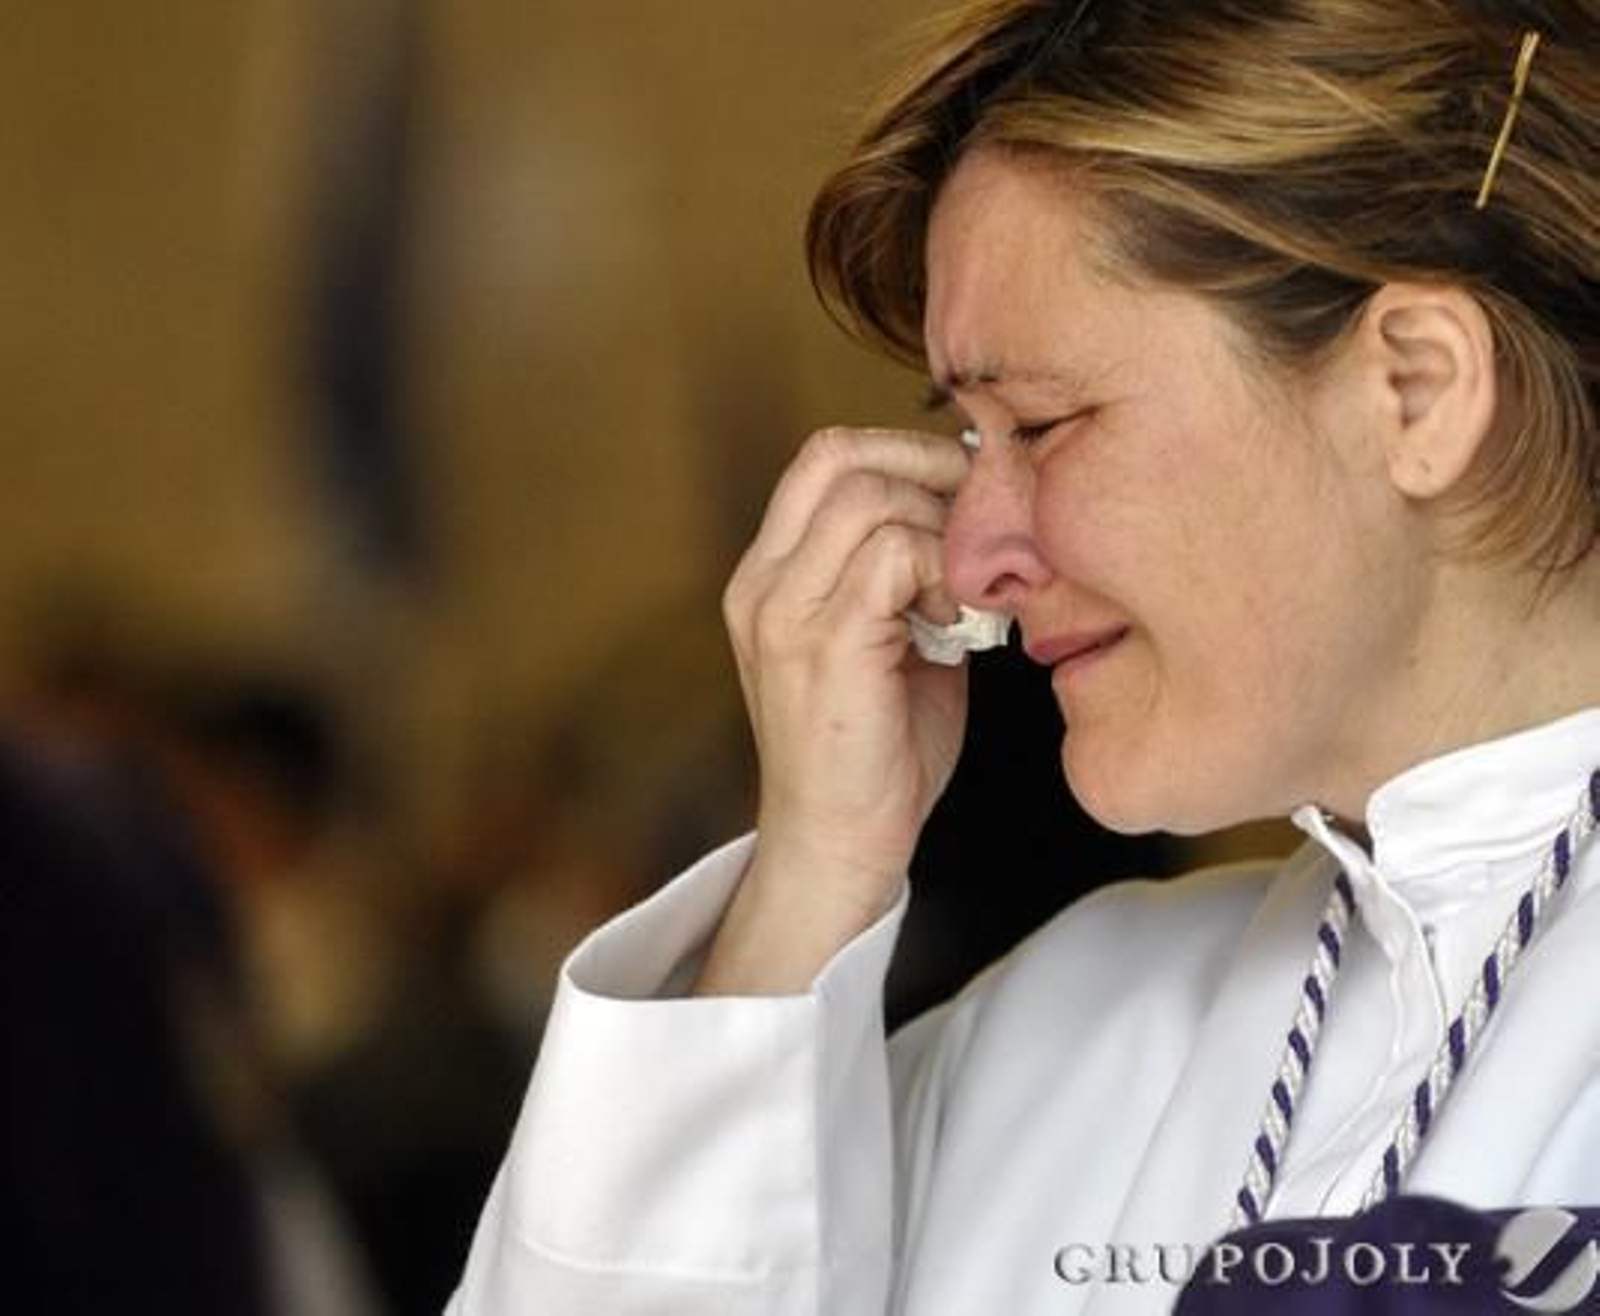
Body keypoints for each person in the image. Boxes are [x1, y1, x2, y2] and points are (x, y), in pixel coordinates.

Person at [447, 1, 1598, 1311]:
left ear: (1418, 391)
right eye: (968, 438)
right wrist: (812, 874)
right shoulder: (1069, 1035)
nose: (973, 546)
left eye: (1044, 423)